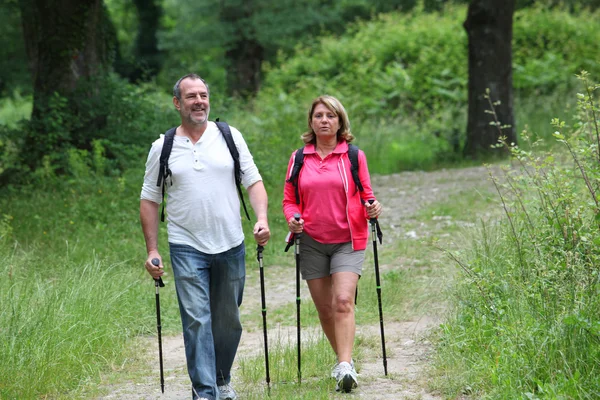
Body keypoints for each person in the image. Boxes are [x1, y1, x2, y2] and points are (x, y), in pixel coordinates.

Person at [140, 73, 270, 400]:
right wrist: (152, 249)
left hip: (231, 243)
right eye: (191, 96)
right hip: (186, 246)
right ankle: (205, 392)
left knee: (229, 322)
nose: (199, 101)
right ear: (177, 103)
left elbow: (252, 181)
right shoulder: (163, 146)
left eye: (203, 95)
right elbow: (150, 198)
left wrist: (262, 219)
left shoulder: (229, 136)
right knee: (197, 321)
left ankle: (221, 378)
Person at [282, 95, 382, 393]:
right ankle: (342, 363)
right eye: (318, 116)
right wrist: (293, 218)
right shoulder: (299, 158)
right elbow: (289, 201)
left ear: (340, 121)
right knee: (325, 309)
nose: (324, 120)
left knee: (342, 302)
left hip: (348, 240)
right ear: (311, 122)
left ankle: (345, 365)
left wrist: (373, 207)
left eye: (330, 116)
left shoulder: (353, 156)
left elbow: (367, 194)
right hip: (311, 241)